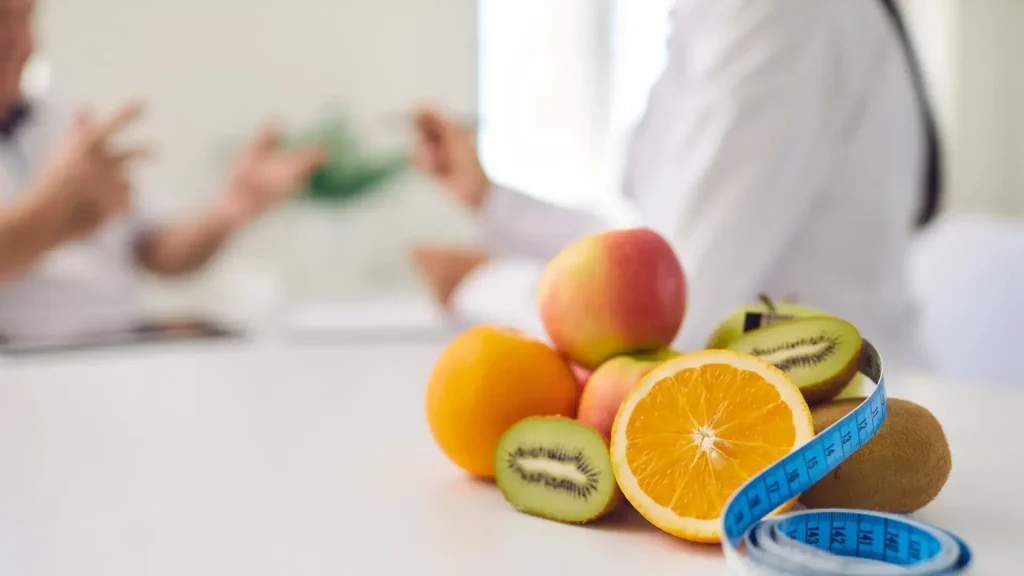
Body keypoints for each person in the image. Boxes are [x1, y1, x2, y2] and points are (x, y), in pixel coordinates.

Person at [411, 0, 942, 369]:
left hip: (842, 431)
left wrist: (486, 287)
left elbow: (669, 318)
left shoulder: (785, 16)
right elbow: (653, 252)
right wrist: (489, 199)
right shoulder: (709, 20)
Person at [0, 0, 324, 338]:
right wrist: (50, 219)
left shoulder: (66, 122)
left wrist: (227, 213)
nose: (17, 42)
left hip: (120, 343)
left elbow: (158, 252)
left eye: (25, 19)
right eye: (1, 19)